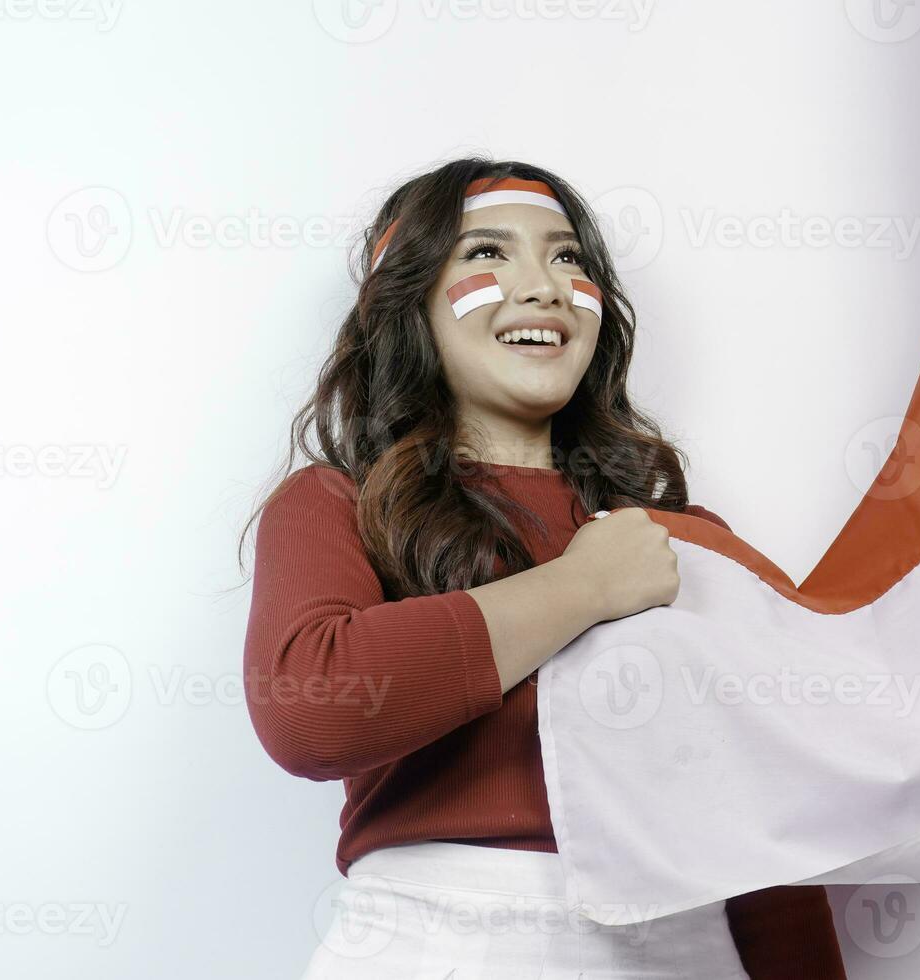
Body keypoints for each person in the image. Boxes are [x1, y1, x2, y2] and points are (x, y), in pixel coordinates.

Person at [239, 157, 847, 978]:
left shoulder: (685, 540)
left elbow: (768, 816)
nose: (545, 287)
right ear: (408, 302)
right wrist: (582, 587)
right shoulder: (336, 504)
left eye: (569, 258)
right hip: (436, 947)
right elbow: (313, 711)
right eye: (488, 252)